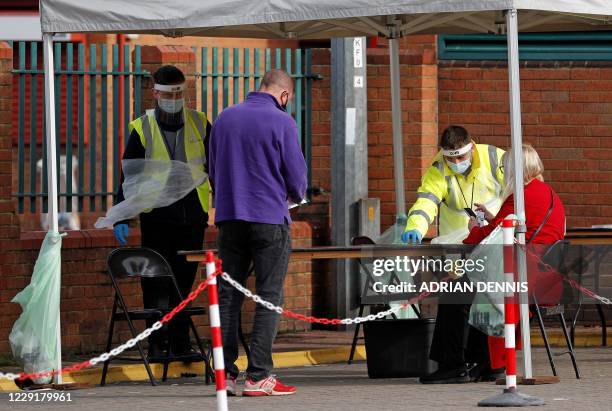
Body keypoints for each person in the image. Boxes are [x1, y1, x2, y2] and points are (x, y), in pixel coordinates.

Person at [209, 69, 307, 397]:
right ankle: (259, 375)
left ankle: (226, 374)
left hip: (229, 216)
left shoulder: (224, 118)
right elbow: (296, 177)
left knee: (227, 294)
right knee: (268, 296)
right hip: (268, 218)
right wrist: (294, 194)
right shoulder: (282, 122)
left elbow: (213, 166)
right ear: (285, 96)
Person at [113, 65, 211, 360]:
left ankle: (180, 344)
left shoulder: (200, 123)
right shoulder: (142, 128)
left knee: (183, 283)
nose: (174, 98)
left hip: (193, 217)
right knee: (155, 281)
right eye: (169, 93)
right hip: (156, 217)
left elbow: (217, 167)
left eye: (179, 93)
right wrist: (121, 215)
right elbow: (129, 175)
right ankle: (157, 344)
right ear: (155, 93)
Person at [464, 144, 566, 372]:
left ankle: (484, 362)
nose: (503, 172)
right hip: (549, 277)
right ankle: (482, 360)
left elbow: (484, 235)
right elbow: (510, 226)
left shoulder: (519, 197)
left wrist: (473, 228)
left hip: (525, 278)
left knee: (466, 290)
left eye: (504, 167)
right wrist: (493, 218)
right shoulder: (548, 192)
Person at [402, 125, 505, 244]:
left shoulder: (494, 157)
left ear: (471, 148)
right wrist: (415, 227)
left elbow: (517, 189)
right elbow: (426, 202)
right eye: (450, 158)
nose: (456, 162)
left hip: (493, 234)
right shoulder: (438, 170)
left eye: (461, 157)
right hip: (453, 240)